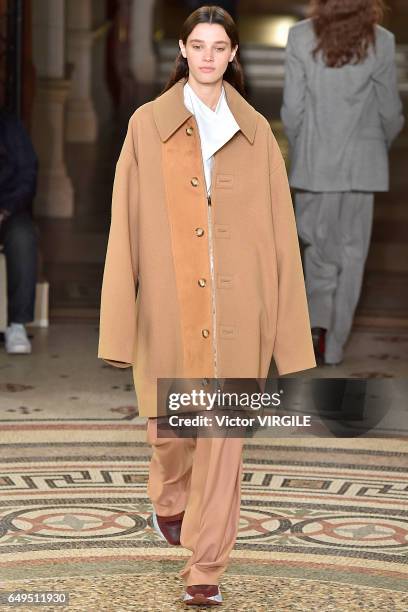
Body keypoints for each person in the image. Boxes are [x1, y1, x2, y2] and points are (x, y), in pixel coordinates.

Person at [98, 5, 315, 607]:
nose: (210, 56)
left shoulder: (257, 133)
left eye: (220, 47)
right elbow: (124, 226)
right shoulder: (147, 125)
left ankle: (206, 568)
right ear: (183, 50)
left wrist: (289, 335)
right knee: (171, 431)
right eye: (200, 45)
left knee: (224, 440)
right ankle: (170, 494)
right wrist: (120, 323)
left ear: (233, 55)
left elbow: (280, 235)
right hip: (169, 304)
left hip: (240, 310)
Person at [281, 0, 405, 366]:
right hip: (361, 166)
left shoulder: (299, 37)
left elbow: (292, 109)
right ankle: (335, 343)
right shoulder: (381, 40)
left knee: (318, 249)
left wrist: (305, 147)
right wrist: (375, 148)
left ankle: (317, 326)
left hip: (315, 163)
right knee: (352, 253)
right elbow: (390, 111)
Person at [0, 108, 39, 354]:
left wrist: (5, 209)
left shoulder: (10, 126)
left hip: (7, 211)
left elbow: (28, 173)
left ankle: (17, 325)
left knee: (24, 236)